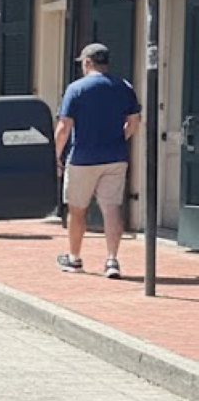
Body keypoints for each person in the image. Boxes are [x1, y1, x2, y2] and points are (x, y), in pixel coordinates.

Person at [55, 42, 141, 279]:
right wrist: (119, 138)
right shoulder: (123, 87)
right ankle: (112, 260)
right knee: (111, 208)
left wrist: (55, 156)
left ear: (87, 62)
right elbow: (134, 121)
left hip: (83, 157)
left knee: (77, 209)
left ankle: (74, 258)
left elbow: (64, 127)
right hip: (115, 156)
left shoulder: (76, 89)